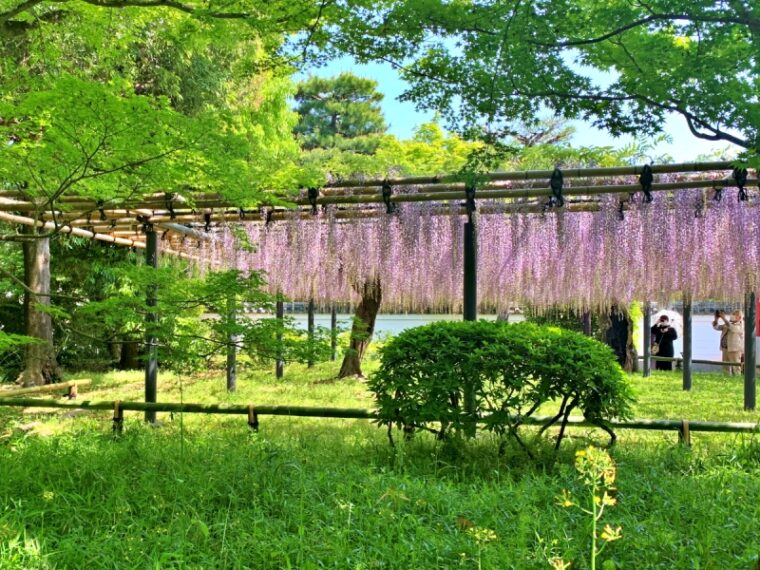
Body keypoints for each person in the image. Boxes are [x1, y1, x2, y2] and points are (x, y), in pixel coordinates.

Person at [712, 310, 744, 375]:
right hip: (725, 348)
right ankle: (726, 380)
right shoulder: (728, 324)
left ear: (739, 317)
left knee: (736, 367)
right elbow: (717, 327)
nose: (732, 315)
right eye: (732, 313)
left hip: (734, 349)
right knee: (725, 366)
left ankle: (737, 381)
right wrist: (716, 319)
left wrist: (723, 318)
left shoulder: (741, 325)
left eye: (735, 314)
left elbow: (733, 329)